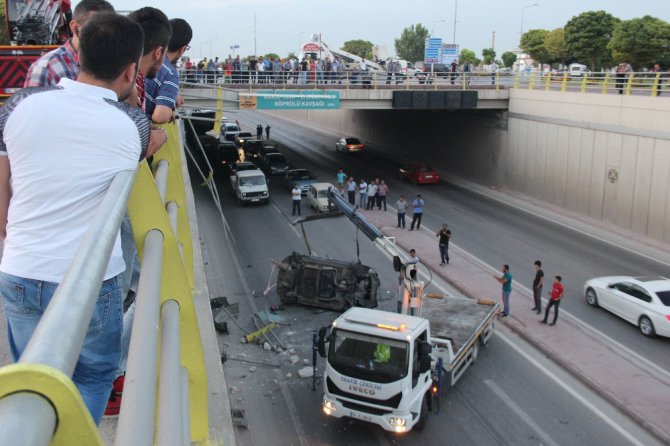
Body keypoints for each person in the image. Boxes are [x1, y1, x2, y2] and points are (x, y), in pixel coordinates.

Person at [0, 13, 148, 425]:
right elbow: (153, 134)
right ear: (130, 69)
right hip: (90, 280)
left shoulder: (18, 107)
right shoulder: (129, 125)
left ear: (79, 52)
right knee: (95, 372)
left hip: (20, 267)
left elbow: (3, 186)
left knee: (35, 380)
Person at [24, 0, 115, 87]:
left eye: (109, 29)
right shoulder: (47, 67)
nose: (103, 34)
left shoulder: (114, 64)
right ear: (75, 27)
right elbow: (31, 102)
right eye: (96, 28)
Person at [144, 18, 193, 124]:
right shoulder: (171, 74)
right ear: (183, 49)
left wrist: (171, 97)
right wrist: (170, 109)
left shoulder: (144, 56)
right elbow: (160, 117)